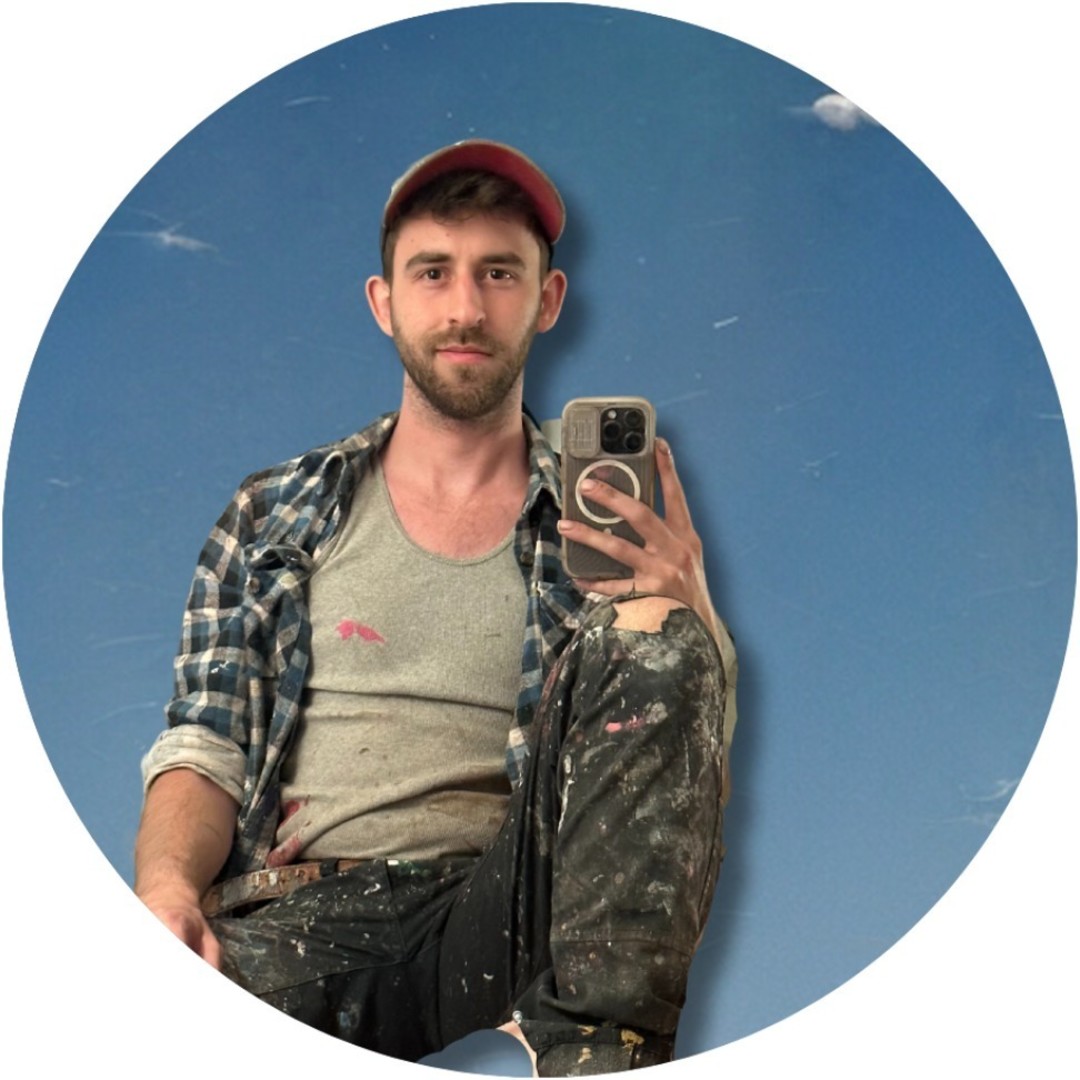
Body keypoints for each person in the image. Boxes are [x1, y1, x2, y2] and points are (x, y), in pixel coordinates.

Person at [134, 140, 738, 1075]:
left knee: (657, 639)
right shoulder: (274, 513)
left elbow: (667, 792)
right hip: (304, 912)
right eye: (433, 272)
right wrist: (168, 888)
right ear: (384, 303)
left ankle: (596, 1054)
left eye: (499, 273)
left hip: (509, 906)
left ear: (547, 300)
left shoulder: (601, 524)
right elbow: (206, 742)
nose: (465, 308)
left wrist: (697, 629)